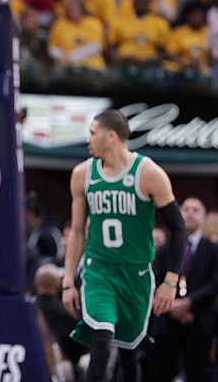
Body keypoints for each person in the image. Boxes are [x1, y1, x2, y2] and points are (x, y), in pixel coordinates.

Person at [62, 109, 186, 382]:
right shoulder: (82, 174)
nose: (88, 140)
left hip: (136, 274)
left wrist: (170, 281)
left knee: (128, 350)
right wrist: (68, 281)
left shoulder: (149, 172)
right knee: (102, 338)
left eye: (92, 133)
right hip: (98, 270)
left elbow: (178, 228)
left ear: (111, 136)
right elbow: (77, 233)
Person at [148, 197, 218, 382]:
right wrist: (173, 307)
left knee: (198, 373)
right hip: (166, 318)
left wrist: (189, 303)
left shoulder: (213, 250)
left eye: (195, 210)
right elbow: (154, 278)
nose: (189, 213)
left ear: (203, 219)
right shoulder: (164, 249)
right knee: (158, 371)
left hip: (199, 319)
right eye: (185, 209)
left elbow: (214, 283)